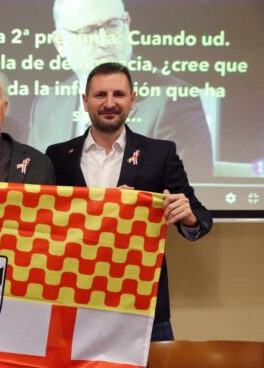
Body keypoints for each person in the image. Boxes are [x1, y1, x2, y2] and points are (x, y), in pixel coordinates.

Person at [45, 62, 212, 341]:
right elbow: (45, 222)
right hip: (74, 302)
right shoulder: (58, 156)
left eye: (119, 95)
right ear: (85, 101)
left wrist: (189, 217)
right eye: (100, 95)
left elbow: (200, 218)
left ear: (132, 100)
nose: (110, 103)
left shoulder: (160, 153)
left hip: (142, 305)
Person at [29, 0, 212, 182]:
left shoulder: (173, 99)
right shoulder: (46, 105)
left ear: (127, 24)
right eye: (88, 30)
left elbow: (186, 193)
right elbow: (36, 186)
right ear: (60, 43)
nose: (104, 40)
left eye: (113, 25)